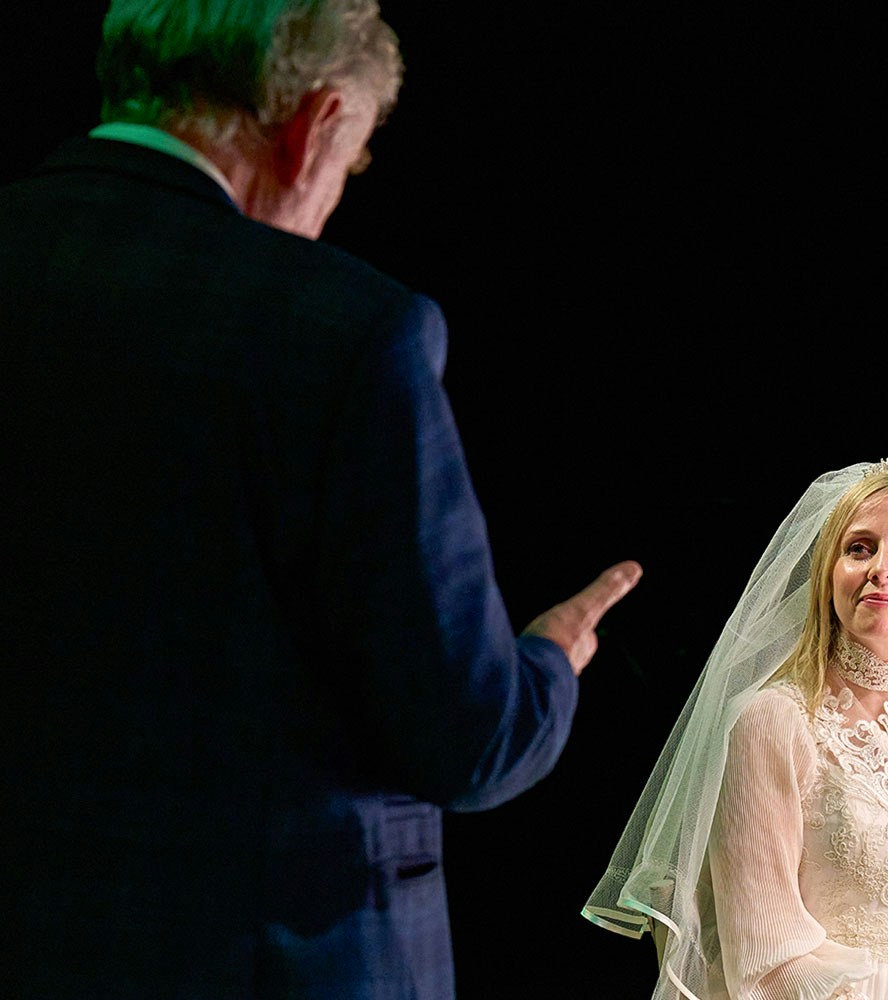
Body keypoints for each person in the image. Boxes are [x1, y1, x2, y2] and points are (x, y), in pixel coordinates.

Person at [0, 2, 639, 997]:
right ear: (314, 123)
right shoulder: (344, 331)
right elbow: (469, 737)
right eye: (357, 156)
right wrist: (550, 661)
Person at [585, 460, 888, 1000]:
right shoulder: (774, 723)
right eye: (859, 548)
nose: (881, 569)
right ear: (829, 577)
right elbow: (766, 954)